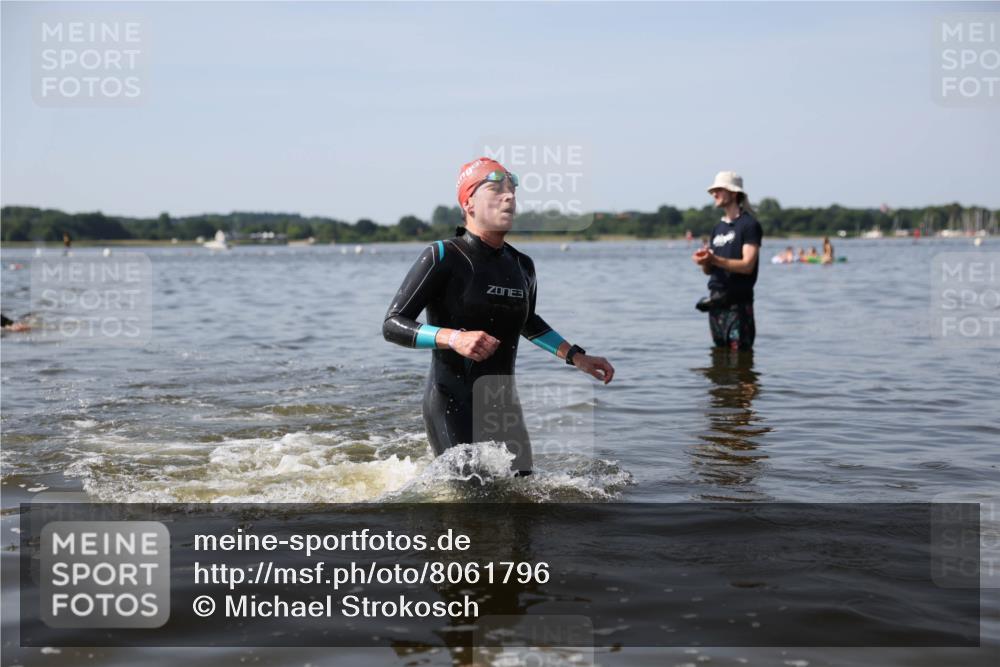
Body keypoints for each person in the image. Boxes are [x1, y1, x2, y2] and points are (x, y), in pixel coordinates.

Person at [383, 157, 615, 475]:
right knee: (469, 497)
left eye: (512, 190)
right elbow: (393, 324)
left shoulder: (522, 265)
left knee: (523, 497)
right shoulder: (443, 255)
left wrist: (576, 357)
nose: (509, 196)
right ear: (468, 202)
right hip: (451, 400)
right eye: (496, 189)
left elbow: (527, 321)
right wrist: (454, 337)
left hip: (503, 405)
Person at [691, 171, 763, 351]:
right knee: (719, 362)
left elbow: (747, 266)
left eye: (719, 190)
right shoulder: (718, 228)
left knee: (741, 362)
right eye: (713, 191)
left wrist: (714, 258)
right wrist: (705, 261)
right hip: (716, 303)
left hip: (738, 305)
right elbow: (709, 271)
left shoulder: (749, 225)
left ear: (734, 193)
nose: (714, 194)